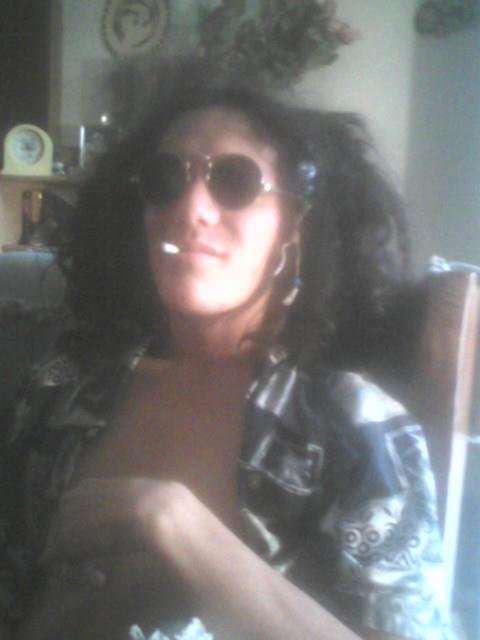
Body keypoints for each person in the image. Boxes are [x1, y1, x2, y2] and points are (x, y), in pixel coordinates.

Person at [0, 60, 453, 640]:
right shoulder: (60, 387)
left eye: (235, 181)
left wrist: (173, 523)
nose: (190, 209)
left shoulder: (355, 427)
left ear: (294, 223)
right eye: (165, 178)